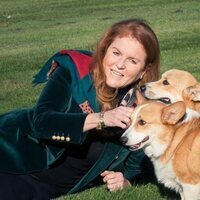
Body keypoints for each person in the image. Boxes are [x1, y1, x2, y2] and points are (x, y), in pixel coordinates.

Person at [0, 18, 160, 199]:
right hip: (13, 151)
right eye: (116, 53)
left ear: (143, 71)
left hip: (46, 186)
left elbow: (148, 161)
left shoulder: (142, 109)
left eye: (132, 61)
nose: (120, 65)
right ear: (104, 50)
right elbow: (42, 122)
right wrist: (101, 118)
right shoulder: (75, 71)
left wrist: (127, 181)